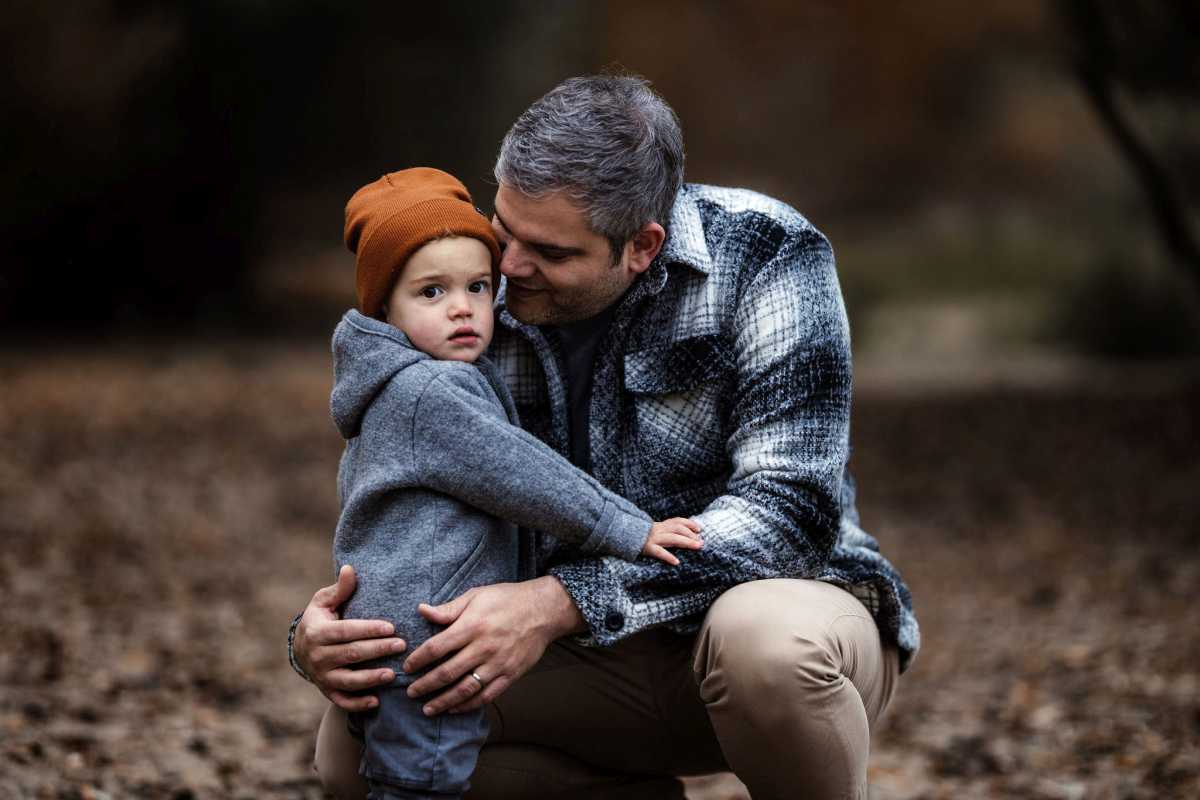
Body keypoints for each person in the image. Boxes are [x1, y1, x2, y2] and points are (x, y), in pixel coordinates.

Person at [291, 74, 921, 800]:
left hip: (779, 633)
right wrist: (314, 639)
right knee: (356, 742)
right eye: (505, 230)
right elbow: (399, 496)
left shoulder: (766, 253)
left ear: (642, 246)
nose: (508, 268)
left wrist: (562, 599)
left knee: (765, 647)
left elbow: (792, 512)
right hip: (584, 661)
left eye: (551, 253)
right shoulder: (467, 294)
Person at [328, 167, 704, 800]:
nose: (462, 308)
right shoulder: (430, 391)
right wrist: (630, 528)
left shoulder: (393, 388)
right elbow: (525, 475)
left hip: (408, 630)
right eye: (430, 292)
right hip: (432, 640)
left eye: (478, 286)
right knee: (422, 783)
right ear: (383, 309)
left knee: (415, 775)